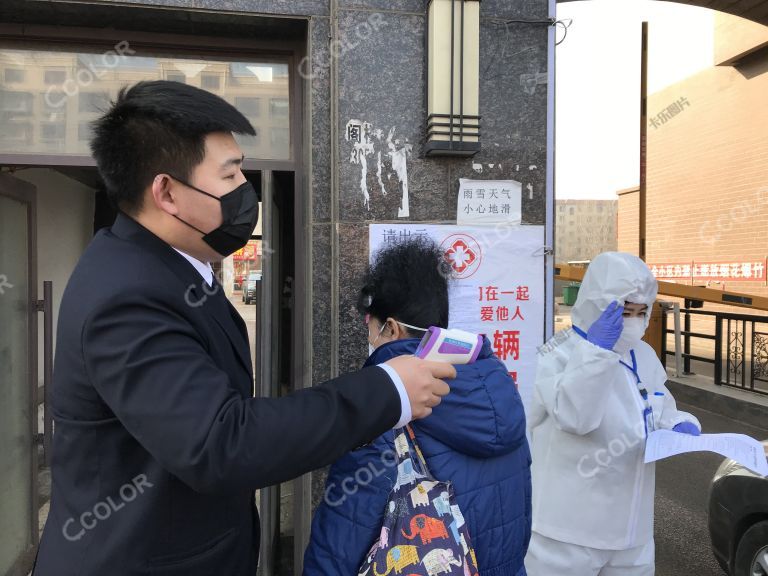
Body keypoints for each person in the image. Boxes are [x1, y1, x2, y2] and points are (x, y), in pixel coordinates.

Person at [33, 81, 455, 576]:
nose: (244, 191)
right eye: (229, 175)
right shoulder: (126, 294)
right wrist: (388, 391)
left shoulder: (173, 267)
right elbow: (221, 443)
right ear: (166, 192)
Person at [303, 237, 532, 576]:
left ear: (391, 327)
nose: (369, 337)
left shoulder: (382, 412)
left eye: (370, 324)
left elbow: (339, 542)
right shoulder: (500, 394)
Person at [525, 252, 701, 576]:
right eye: (623, 312)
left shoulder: (643, 355)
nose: (633, 323)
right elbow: (577, 417)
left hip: (632, 529)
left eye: (640, 312)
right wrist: (597, 353)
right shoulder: (556, 353)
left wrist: (680, 424)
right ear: (597, 304)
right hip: (566, 532)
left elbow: (661, 405)